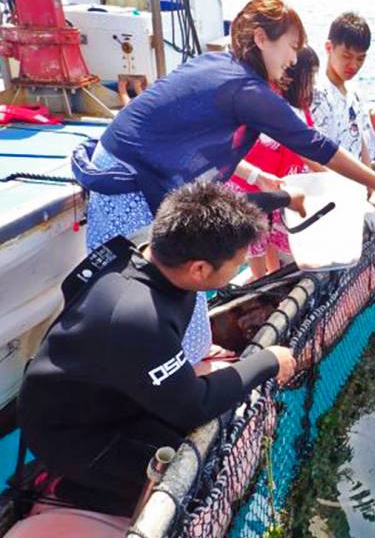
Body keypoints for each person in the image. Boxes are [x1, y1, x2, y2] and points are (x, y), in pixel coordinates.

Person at [71, 0, 375, 368]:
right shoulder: (247, 88)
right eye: (290, 45)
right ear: (260, 38)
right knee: (146, 279)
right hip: (130, 181)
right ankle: (178, 367)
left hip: (135, 165)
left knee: (179, 272)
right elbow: (316, 145)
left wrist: (256, 175)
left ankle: (192, 352)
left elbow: (192, 138)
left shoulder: (222, 65)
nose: (294, 57)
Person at [17, 182, 298, 517]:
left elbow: (230, 207)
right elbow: (194, 406)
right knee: (199, 487)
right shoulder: (139, 317)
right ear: (200, 269)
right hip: (73, 434)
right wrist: (269, 360)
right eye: (235, 264)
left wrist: (288, 197)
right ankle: (65, 486)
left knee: (210, 443)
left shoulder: (160, 243)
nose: (236, 268)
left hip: (112, 395)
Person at [228, 46, 322, 277]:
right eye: (310, 78)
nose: (314, 86)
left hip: (278, 184)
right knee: (256, 240)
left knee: (275, 232)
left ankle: (274, 272)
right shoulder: (276, 110)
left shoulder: (303, 109)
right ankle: (262, 281)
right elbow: (308, 152)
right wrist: (338, 177)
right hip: (251, 185)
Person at [311, 11, 371, 161]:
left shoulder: (355, 92)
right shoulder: (316, 92)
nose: (354, 65)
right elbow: (312, 152)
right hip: (326, 180)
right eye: (347, 56)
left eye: (360, 58)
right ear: (329, 47)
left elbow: (361, 142)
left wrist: (371, 183)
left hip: (353, 180)